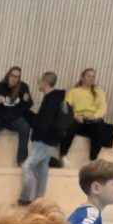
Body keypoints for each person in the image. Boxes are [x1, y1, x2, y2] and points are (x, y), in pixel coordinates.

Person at [20, 71, 68, 204]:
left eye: (40, 81)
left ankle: (25, 198)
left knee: (27, 166)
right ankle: (39, 201)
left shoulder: (51, 100)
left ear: (45, 82)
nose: (38, 83)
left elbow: (44, 122)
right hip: (49, 140)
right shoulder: (54, 98)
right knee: (42, 170)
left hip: (44, 140)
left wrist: (37, 135)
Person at [0, 66, 32, 165]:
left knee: (25, 127)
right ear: (8, 75)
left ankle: (22, 160)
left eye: (17, 77)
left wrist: (27, 100)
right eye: (12, 76)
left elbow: (28, 105)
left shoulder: (23, 87)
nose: (14, 79)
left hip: (14, 119)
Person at [59, 68, 112, 162]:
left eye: (93, 76)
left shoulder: (99, 92)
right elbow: (65, 108)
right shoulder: (73, 91)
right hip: (78, 118)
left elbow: (103, 108)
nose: (91, 78)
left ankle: (93, 158)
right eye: (88, 76)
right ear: (82, 77)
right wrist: (75, 116)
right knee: (68, 125)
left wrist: (94, 116)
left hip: (92, 119)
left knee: (100, 127)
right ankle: (63, 155)